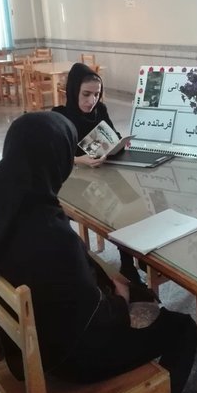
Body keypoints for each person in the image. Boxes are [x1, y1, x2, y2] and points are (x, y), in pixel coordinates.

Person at [0, 112, 197, 393]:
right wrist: (121, 300)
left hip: (27, 345)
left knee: (128, 286)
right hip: (72, 358)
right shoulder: (49, 233)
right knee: (183, 329)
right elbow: (95, 321)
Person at [52, 63, 143, 285]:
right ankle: (118, 264)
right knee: (114, 211)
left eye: (96, 94)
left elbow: (112, 135)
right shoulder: (59, 116)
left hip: (102, 175)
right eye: (86, 94)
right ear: (73, 90)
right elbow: (52, 156)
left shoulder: (99, 110)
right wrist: (78, 159)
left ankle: (131, 263)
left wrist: (117, 143)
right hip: (73, 184)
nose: (91, 100)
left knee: (127, 203)